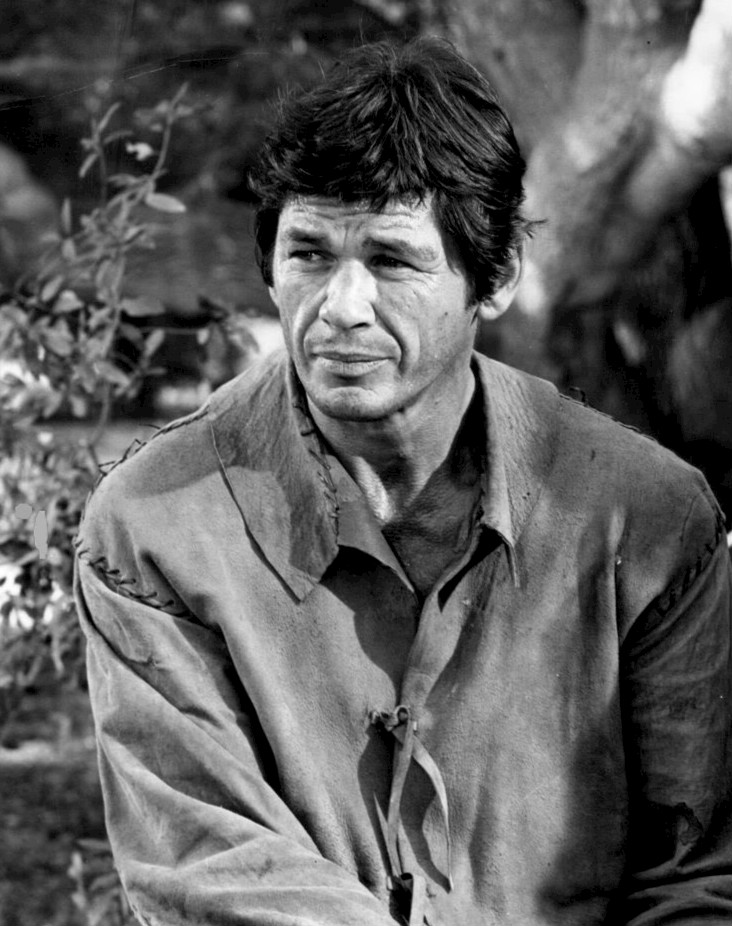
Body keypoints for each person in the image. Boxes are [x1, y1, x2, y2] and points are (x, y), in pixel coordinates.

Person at [74, 37, 732, 926]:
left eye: (391, 260)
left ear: (496, 278)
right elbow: (208, 866)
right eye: (309, 254)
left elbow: (700, 878)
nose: (341, 308)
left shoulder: (647, 518)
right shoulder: (156, 527)